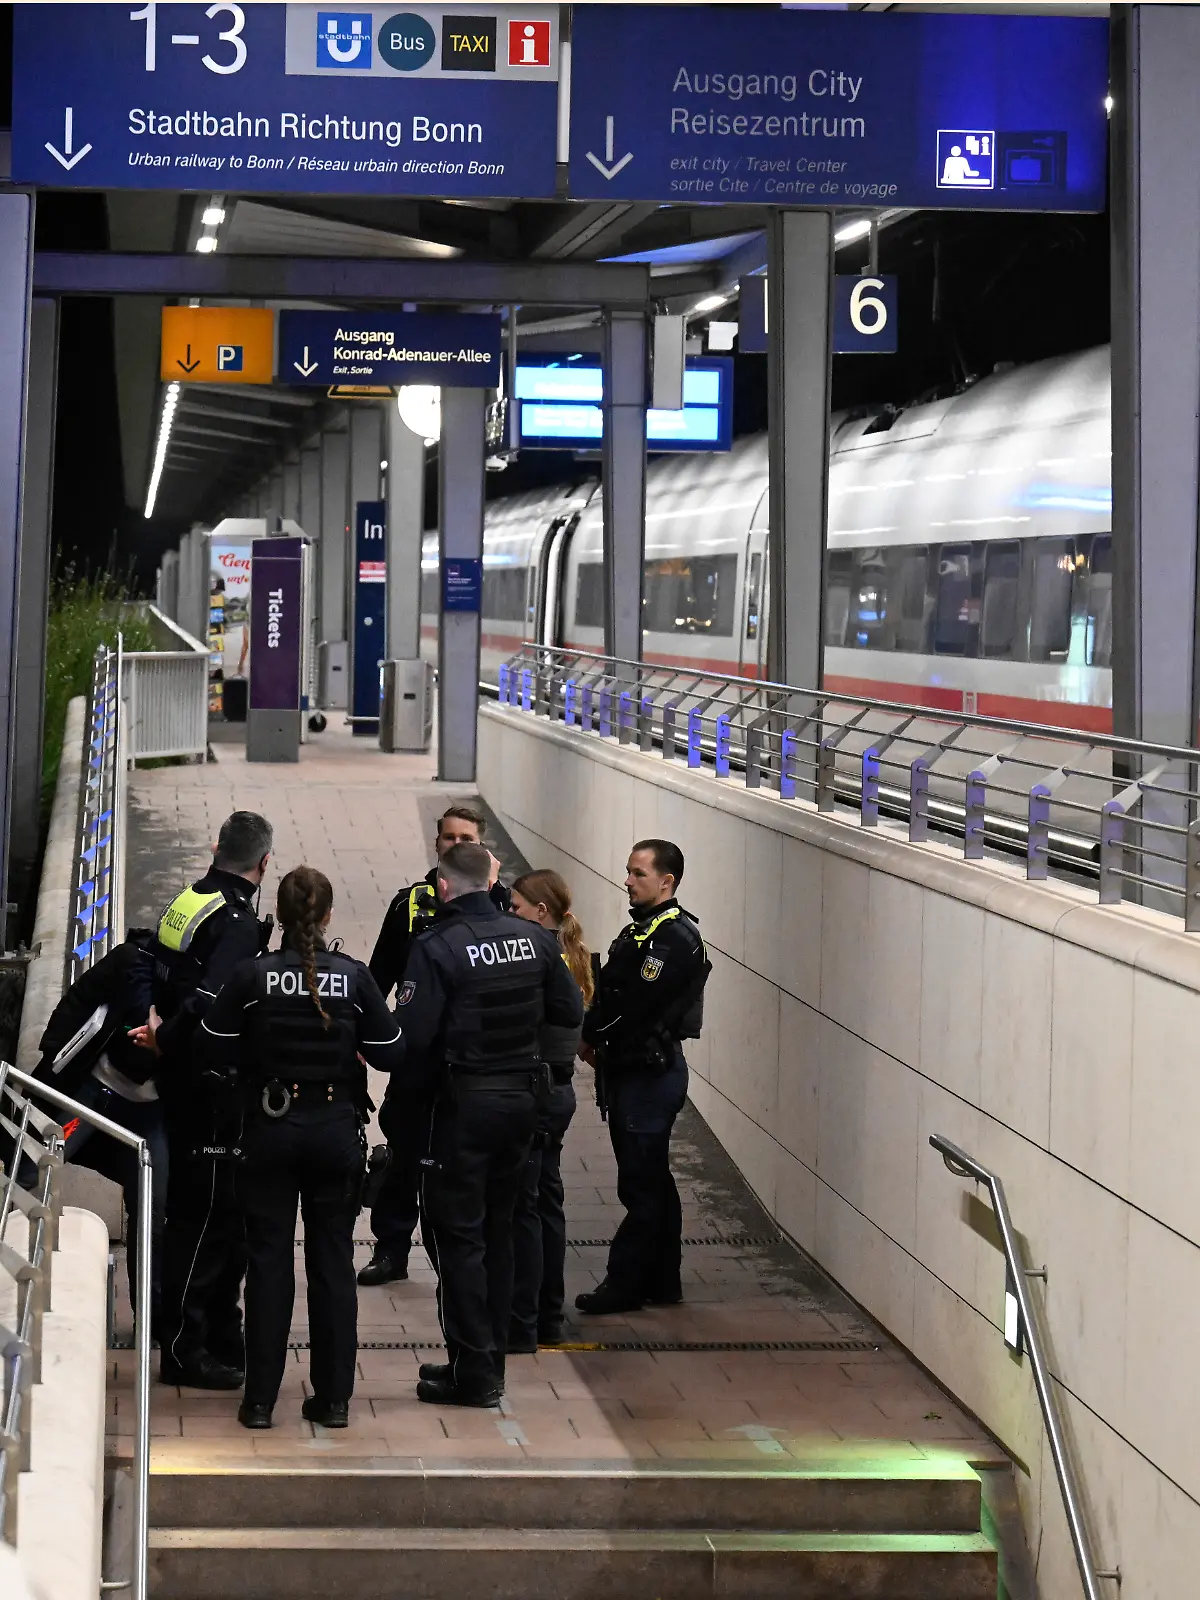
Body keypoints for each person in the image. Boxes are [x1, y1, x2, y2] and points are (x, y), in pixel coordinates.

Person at [197, 866, 403, 1430]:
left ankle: (259, 1400)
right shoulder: (354, 978)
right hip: (336, 1131)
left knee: (268, 1264)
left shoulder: (250, 976)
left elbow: (210, 1044)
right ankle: (333, 1399)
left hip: (268, 1130)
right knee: (333, 1265)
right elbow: (389, 1052)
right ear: (329, 916)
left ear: (280, 917)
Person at [395, 842, 583, 1407]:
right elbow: (569, 1012)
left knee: (460, 1239)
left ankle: (473, 1369)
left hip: (464, 1110)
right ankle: (491, 1358)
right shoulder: (535, 940)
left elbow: (410, 1039)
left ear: (445, 887)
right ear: (492, 884)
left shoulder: (436, 946)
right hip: (523, 1104)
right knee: (501, 1231)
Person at [135, 810, 274, 1390]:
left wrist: (157, 1030)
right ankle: (187, 1346)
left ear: (215, 847)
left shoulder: (190, 898)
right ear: (264, 863)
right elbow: (212, 1000)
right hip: (209, 1083)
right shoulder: (237, 921)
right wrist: (167, 1038)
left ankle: (218, 1333)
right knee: (210, 1218)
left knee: (205, 1214)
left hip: (180, 1081)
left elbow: (163, 971)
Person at [358, 803, 509, 1288]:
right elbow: (378, 976)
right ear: (437, 843)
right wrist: (367, 1037)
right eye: (449, 838)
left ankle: (462, 1257)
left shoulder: (502, 902)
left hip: (472, 1062)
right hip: (417, 1058)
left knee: (463, 1164)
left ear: (482, 845)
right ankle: (391, 1249)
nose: (457, 846)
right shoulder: (410, 904)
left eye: (467, 838)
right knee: (403, 1153)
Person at [576, 839, 709, 1317]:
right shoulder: (645, 931)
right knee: (653, 1180)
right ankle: (661, 1279)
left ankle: (625, 1283)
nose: (627, 881)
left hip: (649, 1076)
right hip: (634, 1071)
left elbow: (634, 1007)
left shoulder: (672, 938)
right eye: (628, 871)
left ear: (666, 881)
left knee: (640, 1184)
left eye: (637, 873)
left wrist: (589, 1035)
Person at [36, 929, 167, 1331]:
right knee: (38, 1171)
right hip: (91, 1099)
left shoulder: (210, 984)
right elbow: (81, 1007)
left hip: (147, 1115)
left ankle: (152, 1319)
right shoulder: (134, 962)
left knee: (153, 1203)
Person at [507, 870, 592, 1352]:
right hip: (557, 1091)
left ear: (541, 911)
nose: (510, 915)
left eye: (517, 907)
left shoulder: (542, 959)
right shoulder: (571, 954)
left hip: (539, 1093)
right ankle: (547, 1309)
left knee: (528, 1206)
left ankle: (531, 1315)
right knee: (547, 1199)